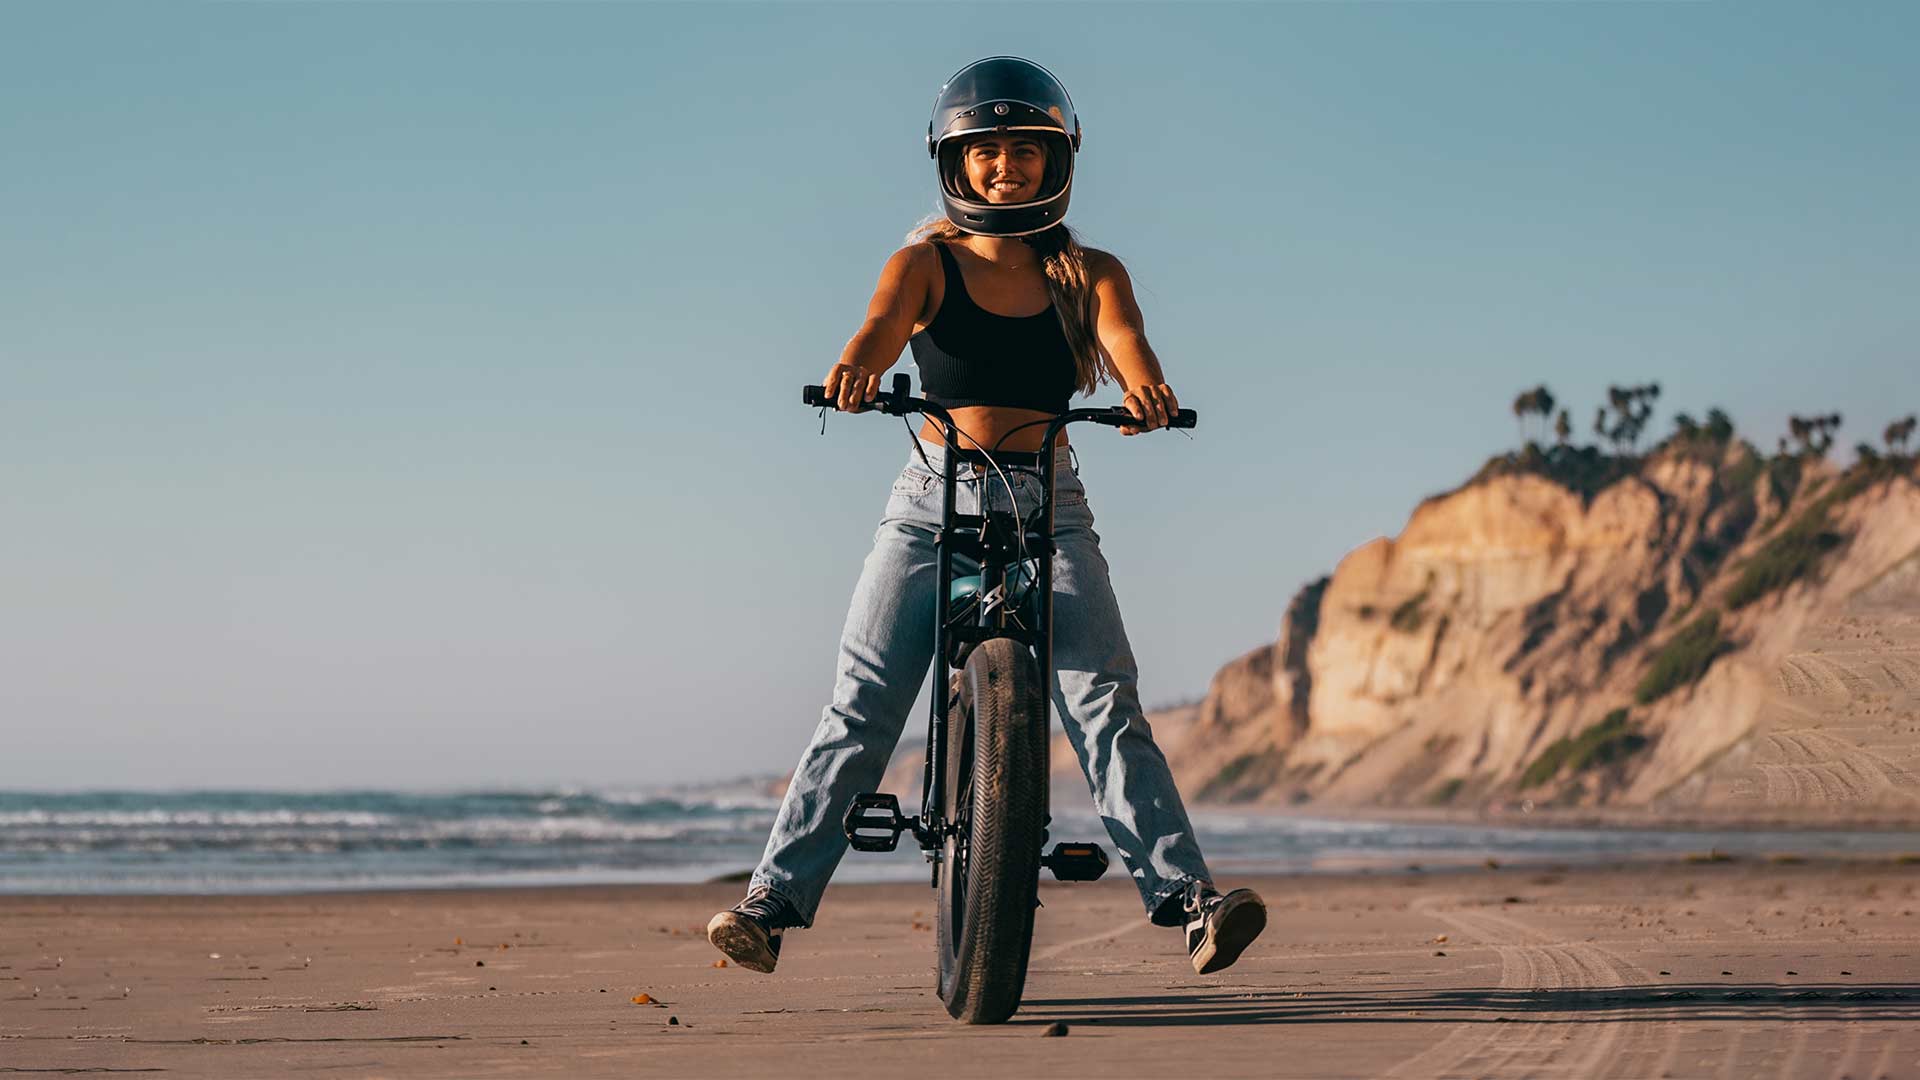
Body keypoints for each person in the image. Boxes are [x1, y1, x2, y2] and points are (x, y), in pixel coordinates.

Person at [708, 56, 1265, 978]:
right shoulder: (925, 263)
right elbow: (881, 327)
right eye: (987, 151)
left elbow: (1129, 347)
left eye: (1025, 151)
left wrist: (1147, 391)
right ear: (955, 165)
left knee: (1105, 705)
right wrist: (855, 368)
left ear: (1059, 162)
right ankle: (771, 901)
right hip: (931, 497)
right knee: (863, 703)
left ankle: (1191, 901)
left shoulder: (1091, 272)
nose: (1006, 166)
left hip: (1053, 503)